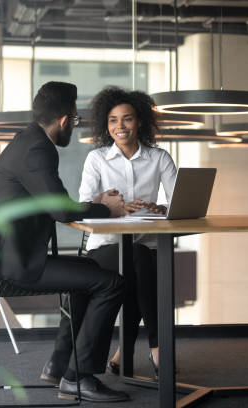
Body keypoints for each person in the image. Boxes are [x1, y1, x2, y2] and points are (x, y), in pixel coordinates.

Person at [0, 81, 130, 403]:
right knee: (112, 284)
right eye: (75, 120)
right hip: (8, 264)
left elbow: (53, 201)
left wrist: (97, 202)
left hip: (8, 255)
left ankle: (60, 364)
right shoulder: (36, 149)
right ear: (64, 119)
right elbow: (60, 210)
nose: (73, 126)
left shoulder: (28, 141)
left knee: (88, 271)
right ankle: (78, 376)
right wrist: (106, 208)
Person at [81, 86, 177, 378]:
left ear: (140, 122)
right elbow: (84, 203)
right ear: (105, 124)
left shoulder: (159, 158)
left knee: (139, 262)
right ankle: (159, 348)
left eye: (127, 119)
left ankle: (124, 353)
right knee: (138, 259)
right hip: (105, 248)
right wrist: (110, 205)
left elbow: (178, 201)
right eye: (113, 120)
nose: (120, 126)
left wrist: (160, 208)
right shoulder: (96, 159)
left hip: (146, 245)